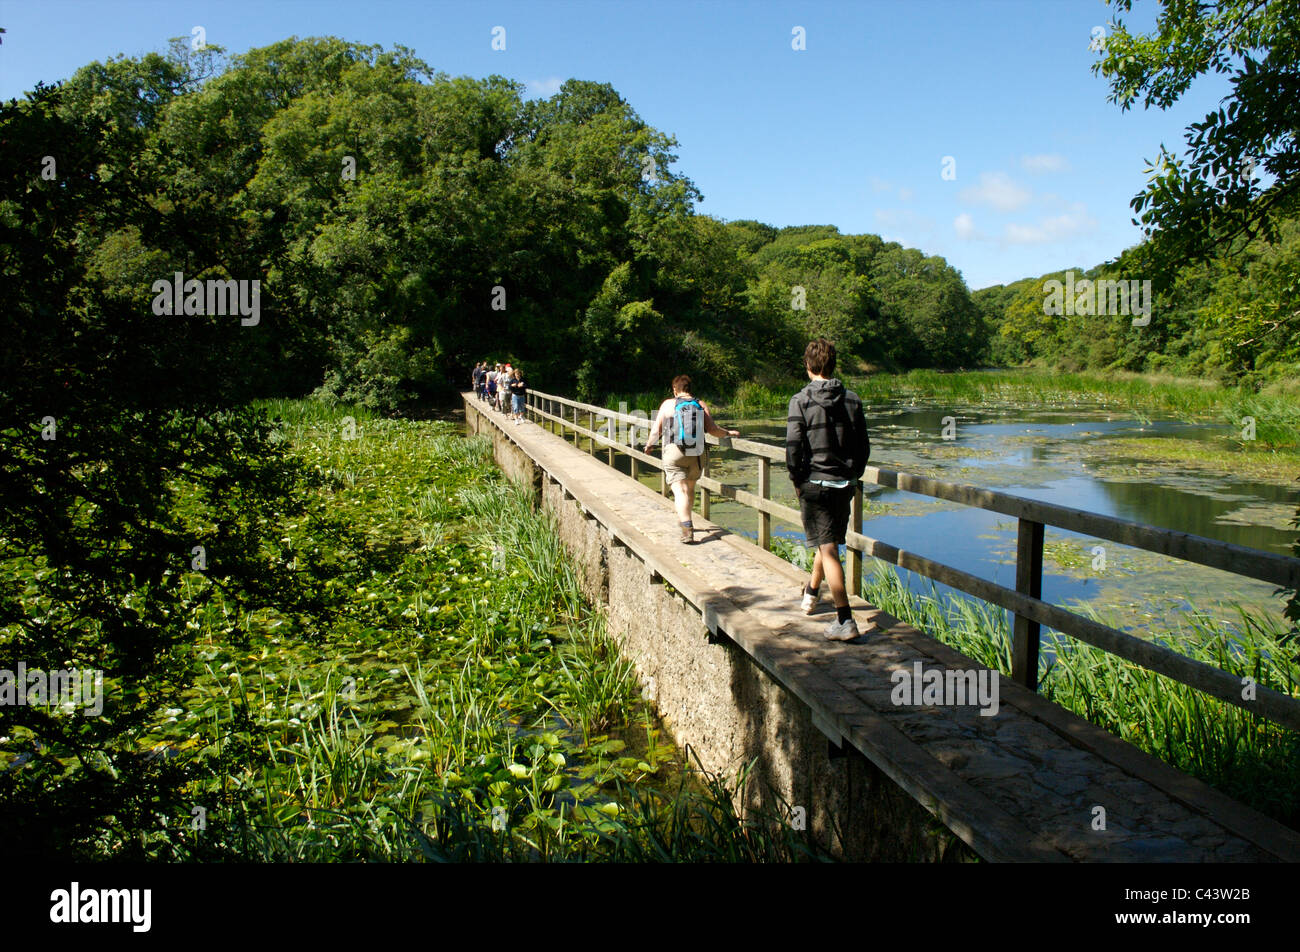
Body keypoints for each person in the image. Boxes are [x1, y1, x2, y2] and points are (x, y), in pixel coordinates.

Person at [786, 338, 873, 641]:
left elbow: (794, 447)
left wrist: (797, 481)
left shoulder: (800, 401)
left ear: (807, 365)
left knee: (828, 548)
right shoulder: (852, 400)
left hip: (815, 484)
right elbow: (863, 446)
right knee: (829, 541)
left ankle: (845, 619)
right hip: (843, 484)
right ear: (833, 365)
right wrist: (853, 475)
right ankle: (811, 592)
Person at [643, 375, 739, 544]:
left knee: (679, 490)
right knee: (690, 487)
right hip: (696, 453)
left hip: (675, 452)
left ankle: (687, 527)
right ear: (689, 389)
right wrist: (728, 433)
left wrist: (649, 445)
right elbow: (713, 429)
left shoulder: (667, 404)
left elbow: (656, 431)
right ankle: (687, 517)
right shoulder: (700, 404)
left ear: (675, 390)